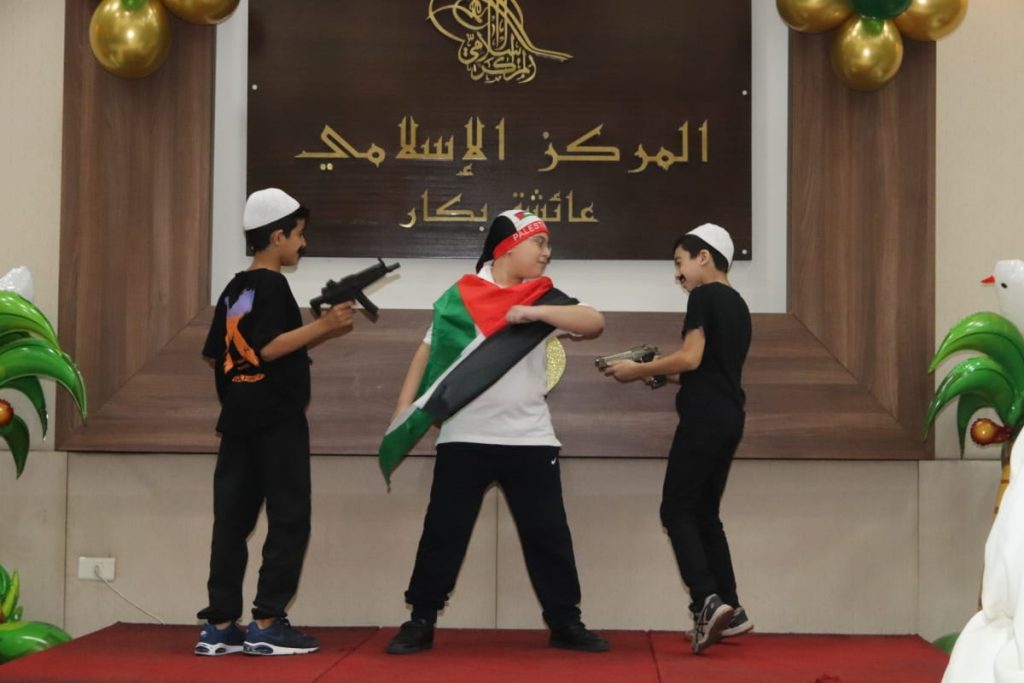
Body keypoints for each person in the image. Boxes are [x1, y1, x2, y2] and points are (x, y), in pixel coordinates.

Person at [381, 210, 609, 655]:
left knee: (548, 535)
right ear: (508, 246)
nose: (546, 253)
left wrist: (532, 312)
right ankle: (420, 620)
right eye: (539, 243)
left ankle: (566, 622)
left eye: (547, 245)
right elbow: (425, 354)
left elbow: (594, 321)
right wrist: (400, 414)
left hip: (531, 439)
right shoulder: (461, 297)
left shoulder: (544, 298)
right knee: (444, 533)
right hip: (464, 437)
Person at [194, 188, 354, 656]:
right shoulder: (272, 286)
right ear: (278, 235)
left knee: (231, 522)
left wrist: (243, 386)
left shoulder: (234, 288)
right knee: (289, 518)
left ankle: (220, 625)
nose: (303, 244)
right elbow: (265, 348)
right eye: (299, 234)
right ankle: (266, 622)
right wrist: (324, 326)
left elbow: (217, 354)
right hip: (277, 421)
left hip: (237, 421)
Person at [602, 223, 752, 654]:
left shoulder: (703, 296)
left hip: (703, 418)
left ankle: (706, 601)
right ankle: (732, 610)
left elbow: (690, 356)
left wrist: (638, 369)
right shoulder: (739, 305)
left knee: (676, 509)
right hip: (729, 417)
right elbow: (706, 370)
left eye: (680, 262)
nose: (678, 273)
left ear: (703, 257)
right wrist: (657, 374)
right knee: (705, 513)